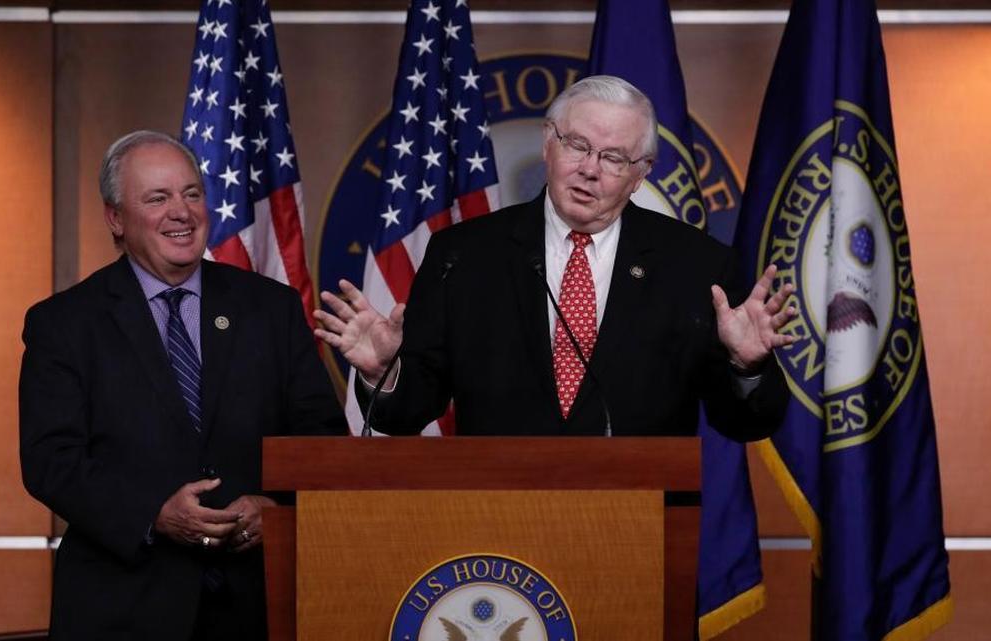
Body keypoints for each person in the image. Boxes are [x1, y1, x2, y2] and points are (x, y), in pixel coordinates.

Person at [315, 76, 794, 438]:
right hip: (496, 519)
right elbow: (407, 413)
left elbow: (744, 424)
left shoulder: (696, 266)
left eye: (613, 158)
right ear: (549, 143)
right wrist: (383, 373)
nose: (589, 169)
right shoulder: (463, 256)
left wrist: (747, 366)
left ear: (641, 173)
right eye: (578, 145)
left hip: (640, 518)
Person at [19, 130, 347, 640]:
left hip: (257, 606)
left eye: (191, 193)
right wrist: (154, 513)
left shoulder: (271, 308)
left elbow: (321, 439)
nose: (181, 212)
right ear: (115, 218)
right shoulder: (64, 324)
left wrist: (276, 507)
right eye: (157, 198)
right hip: (123, 611)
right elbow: (51, 461)